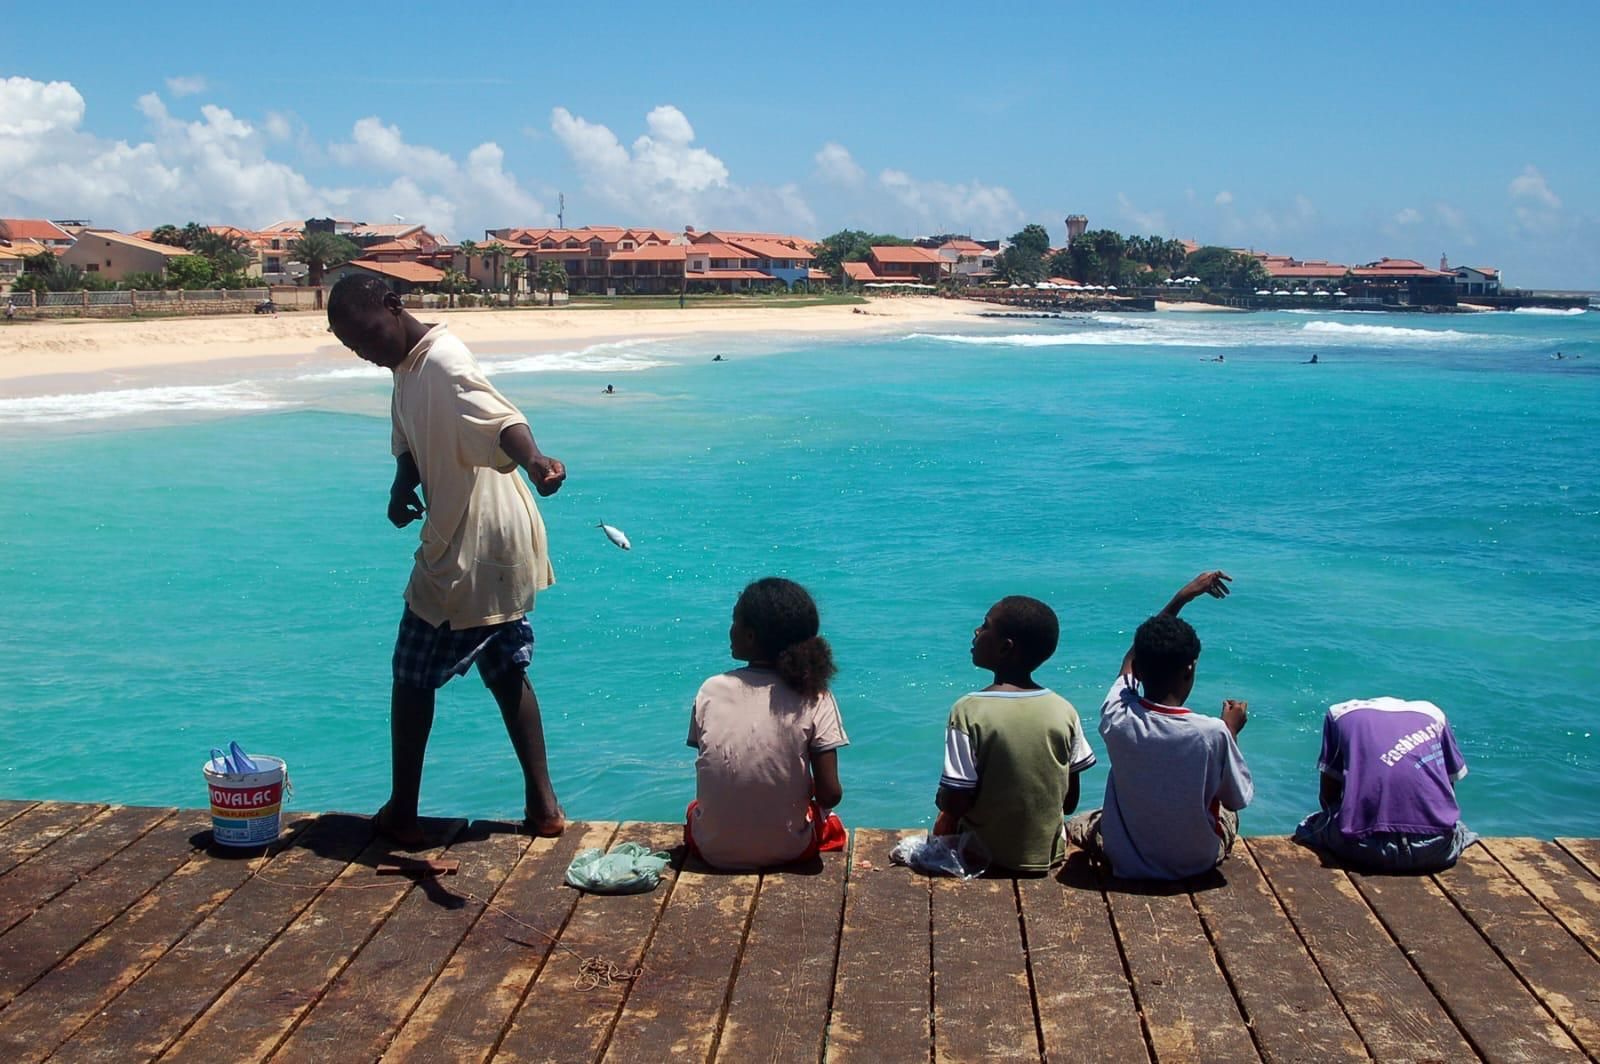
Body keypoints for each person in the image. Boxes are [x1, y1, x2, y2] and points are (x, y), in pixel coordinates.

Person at [326, 275, 568, 847]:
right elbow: (410, 442)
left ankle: (403, 811)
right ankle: (544, 808)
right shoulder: (405, 367)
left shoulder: (443, 360)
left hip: (479, 541)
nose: (363, 352)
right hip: (472, 536)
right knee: (505, 670)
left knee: (412, 673)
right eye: (350, 346)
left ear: (392, 307)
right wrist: (399, 488)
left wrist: (535, 462)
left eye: (364, 337)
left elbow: (502, 418)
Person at [1067, 571, 1252, 879]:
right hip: (1197, 862)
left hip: (1123, 859)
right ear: (1190, 669)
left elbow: (1130, 658)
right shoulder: (1213, 732)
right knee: (1228, 813)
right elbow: (1236, 798)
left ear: (1138, 669)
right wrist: (1231, 732)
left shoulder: (1118, 715)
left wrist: (1182, 597)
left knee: (1080, 823)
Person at [685, 577, 849, 870]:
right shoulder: (815, 696)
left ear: (750, 636)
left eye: (735, 621)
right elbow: (830, 794)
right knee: (829, 823)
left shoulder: (710, 689)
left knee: (693, 810)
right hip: (790, 850)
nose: (730, 630)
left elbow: (720, 767)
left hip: (712, 850)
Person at [934, 597, 1096, 874]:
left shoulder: (967, 710)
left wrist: (943, 809)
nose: (976, 632)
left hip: (983, 856)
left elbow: (956, 801)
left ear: (1005, 647)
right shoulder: (1064, 710)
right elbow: (1069, 802)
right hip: (1049, 855)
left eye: (985, 626)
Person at [1293, 697, 1476, 872]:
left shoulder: (1338, 714)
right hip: (1435, 848)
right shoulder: (1435, 715)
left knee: (1309, 825)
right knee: (1459, 828)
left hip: (1363, 849)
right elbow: (1448, 790)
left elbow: (1328, 797)